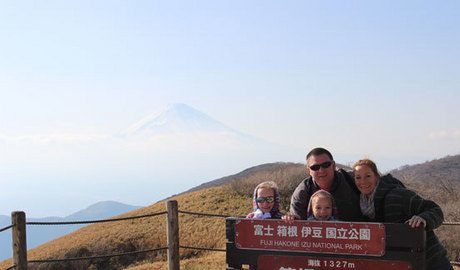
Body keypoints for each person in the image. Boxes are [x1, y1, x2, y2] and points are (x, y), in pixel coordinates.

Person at [353, 158, 453, 270]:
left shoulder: (397, 195)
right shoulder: (362, 207)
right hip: (406, 265)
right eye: (358, 177)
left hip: (432, 263)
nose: (363, 181)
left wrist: (423, 218)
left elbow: (435, 210)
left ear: (376, 176)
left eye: (368, 176)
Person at [286, 147, 362, 221]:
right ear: (309, 171)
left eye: (326, 165)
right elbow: (297, 226)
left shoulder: (352, 179)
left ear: (333, 165)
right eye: (315, 167)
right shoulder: (302, 193)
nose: (321, 170)